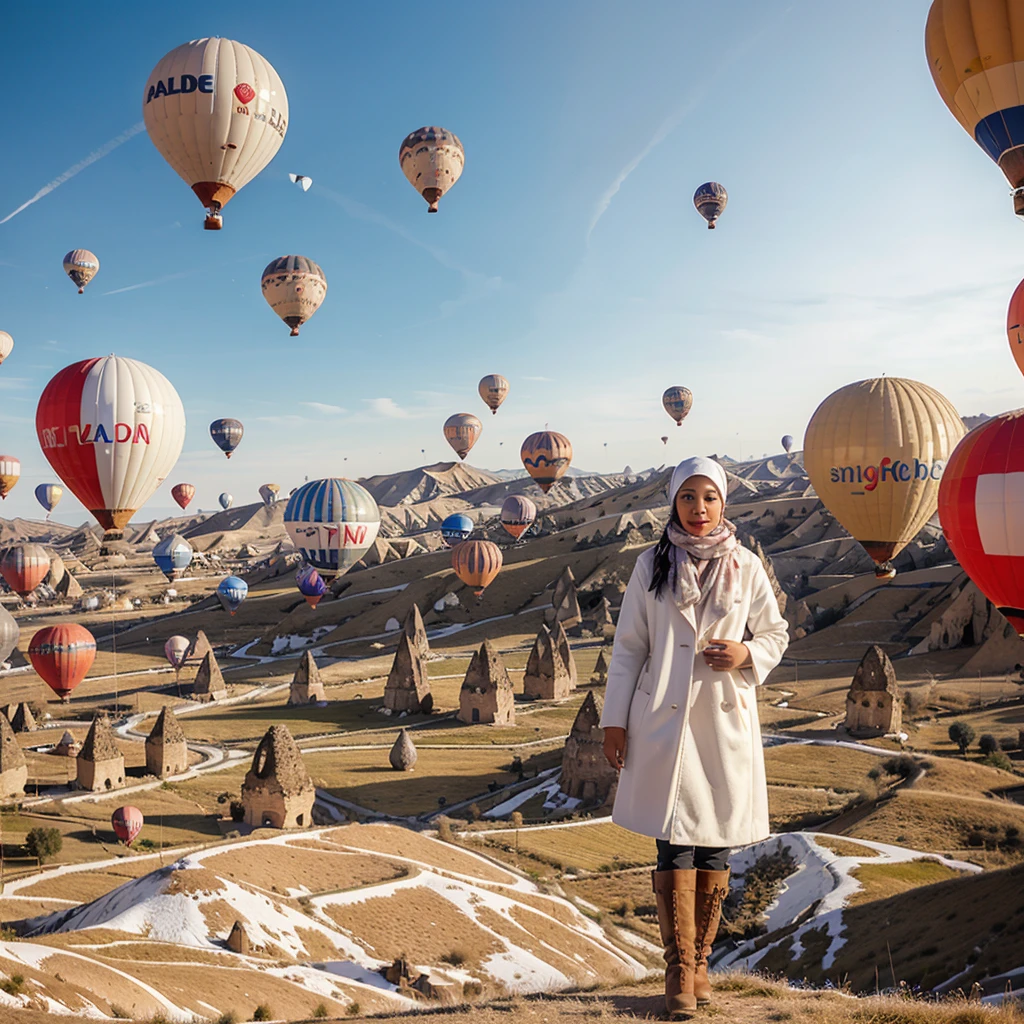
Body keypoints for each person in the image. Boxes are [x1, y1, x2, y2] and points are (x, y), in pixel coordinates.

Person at [600, 456, 789, 1018]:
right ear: (673, 503)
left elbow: (775, 632)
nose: (698, 509)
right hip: (660, 715)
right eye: (688, 498)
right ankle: (680, 966)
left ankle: (702, 959)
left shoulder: (747, 565)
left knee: (715, 841)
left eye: (708, 497)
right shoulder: (650, 564)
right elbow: (630, 645)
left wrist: (746, 653)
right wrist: (615, 719)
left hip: (723, 714)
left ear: (724, 503)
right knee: (672, 841)